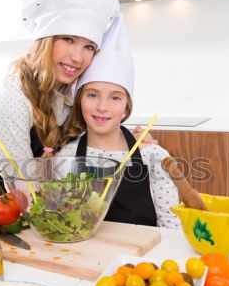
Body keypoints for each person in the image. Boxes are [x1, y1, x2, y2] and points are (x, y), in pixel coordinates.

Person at [0, 0, 156, 172]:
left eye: (89, 47)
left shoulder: (72, 89)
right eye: (68, 39)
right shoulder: (12, 100)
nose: (78, 58)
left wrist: (121, 143)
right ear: (46, 40)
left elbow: (88, 144)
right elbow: (22, 184)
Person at [57, 16, 180, 229]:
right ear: (79, 101)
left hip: (143, 259)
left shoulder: (154, 155)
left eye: (115, 97)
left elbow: (171, 226)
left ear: (126, 107)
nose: (102, 106)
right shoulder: (67, 155)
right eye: (92, 95)